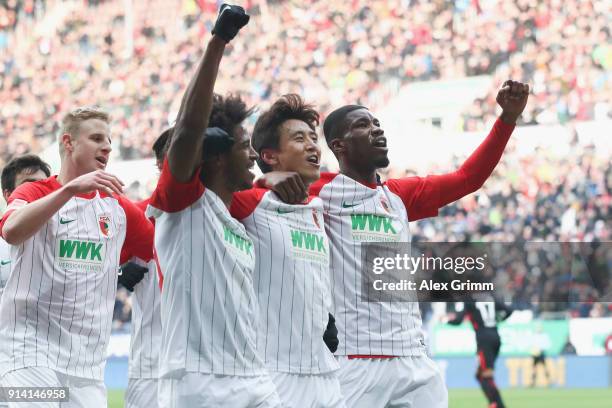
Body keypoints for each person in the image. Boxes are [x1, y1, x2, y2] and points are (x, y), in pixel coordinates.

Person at [302, 80, 530, 407]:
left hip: (416, 362)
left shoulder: (398, 195)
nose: (377, 130)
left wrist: (507, 119)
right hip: (358, 361)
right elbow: (258, 195)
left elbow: (469, 178)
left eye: (377, 124)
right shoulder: (321, 191)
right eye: (363, 125)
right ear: (339, 145)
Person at [145, 5, 281, 407]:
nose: (254, 156)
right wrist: (218, 42)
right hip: (199, 383)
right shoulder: (183, 204)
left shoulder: (236, 223)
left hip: (254, 376)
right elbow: (186, 130)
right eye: (245, 147)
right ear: (218, 154)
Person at [0, 106, 154, 408]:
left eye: (109, 140)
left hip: (87, 367)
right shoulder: (35, 191)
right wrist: (69, 190)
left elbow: (160, 247)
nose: (107, 146)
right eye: (96, 138)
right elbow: (12, 231)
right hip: (29, 356)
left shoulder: (117, 208)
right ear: (69, 143)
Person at [230, 94, 345, 407]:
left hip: (325, 372)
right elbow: (198, 192)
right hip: (274, 374)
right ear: (270, 155)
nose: (312, 146)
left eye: (313, 138)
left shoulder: (318, 209)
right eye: (299, 138)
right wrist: (262, 181)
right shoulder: (252, 205)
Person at [123, 128, 170, 408]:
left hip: (209, 368)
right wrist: (119, 274)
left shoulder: (227, 212)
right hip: (152, 366)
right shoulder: (135, 214)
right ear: (161, 165)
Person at [0, 154, 51, 408]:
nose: (40, 191)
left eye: (45, 184)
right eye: (31, 184)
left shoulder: (59, 240)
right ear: (8, 194)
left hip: (42, 361)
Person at [447, 295, 513, 408]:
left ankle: (497, 405)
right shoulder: (490, 297)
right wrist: (498, 319)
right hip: (496, 337)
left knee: (485, 376)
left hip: (484, 340)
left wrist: (447, 320)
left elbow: (458, 320)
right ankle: (495, 403)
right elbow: (509, 310)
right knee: (480, 375)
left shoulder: (469, 300)